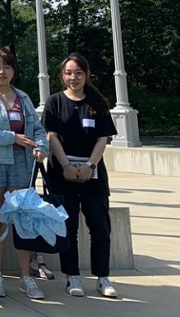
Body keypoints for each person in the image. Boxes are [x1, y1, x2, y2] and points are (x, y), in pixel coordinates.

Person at [0, 48, 49, 301]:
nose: (1, 72)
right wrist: (12, 137)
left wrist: (41, 147)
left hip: (22, 165)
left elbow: (37, 129)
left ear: (14, 71)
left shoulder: (23, 98)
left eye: (7, 67)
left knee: (22, 219)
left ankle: (26, 276)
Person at [43, 54, 119, 299]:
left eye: (78, 73)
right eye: (68, 73)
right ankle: (72, 276)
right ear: (62, 75)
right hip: (61, 173)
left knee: (99, 226)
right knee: (68, 226)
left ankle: (103, 277)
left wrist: (89, 165)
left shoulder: (97, 103)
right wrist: (66, 165)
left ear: (87, 75)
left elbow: (102, 138)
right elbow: (51, 136)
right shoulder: (54, 102)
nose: (72, 77)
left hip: (92, 174)